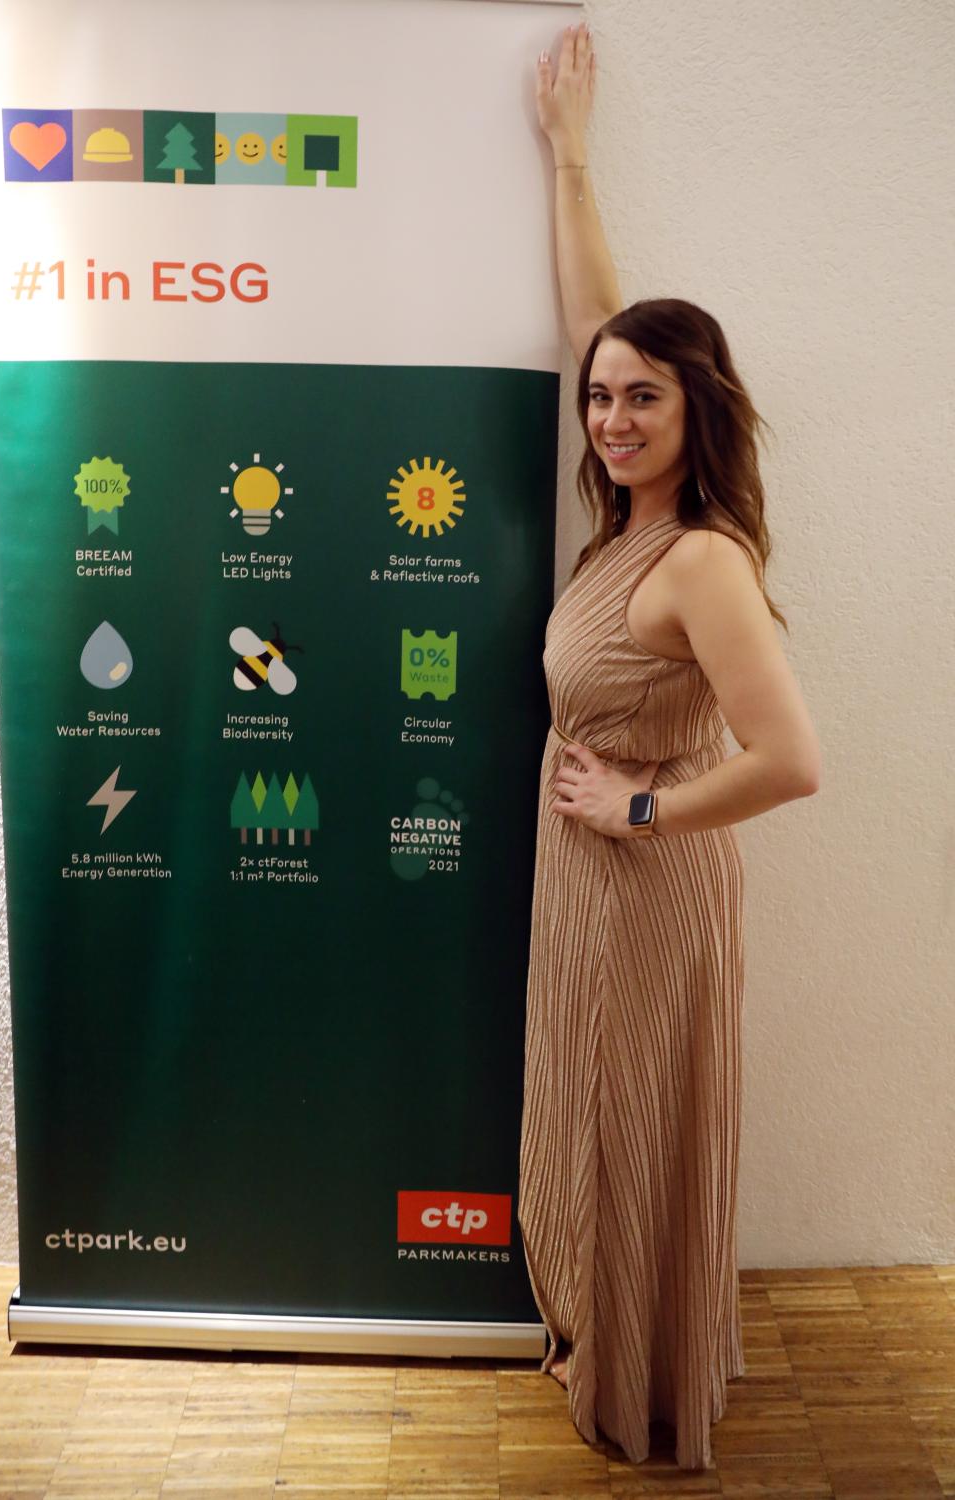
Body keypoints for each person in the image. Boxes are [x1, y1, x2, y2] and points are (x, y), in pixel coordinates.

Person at [517, 23, 821, 1473]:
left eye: (646, 394)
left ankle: (645, 1379)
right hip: (589, 882)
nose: (614, 415)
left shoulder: (699, 559)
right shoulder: (627, 523)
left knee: (635, 1124)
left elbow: (792, 760)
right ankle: (606, 1334)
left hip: (650, 886)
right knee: (593, 1113)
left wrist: (639, 808)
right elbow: (598, 318)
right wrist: (570, 158)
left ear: (700, 405)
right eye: (601, 395)